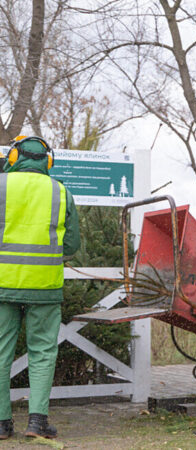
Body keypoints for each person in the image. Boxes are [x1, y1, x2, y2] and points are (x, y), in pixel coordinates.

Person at [0, 136, 80, 440]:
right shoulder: (60, 192)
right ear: (48, 161)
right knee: (43, 352)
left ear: (13, 157)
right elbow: (71, 244)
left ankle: (2, 424)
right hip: (44, 286)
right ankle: (36, 423)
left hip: (1, 284)